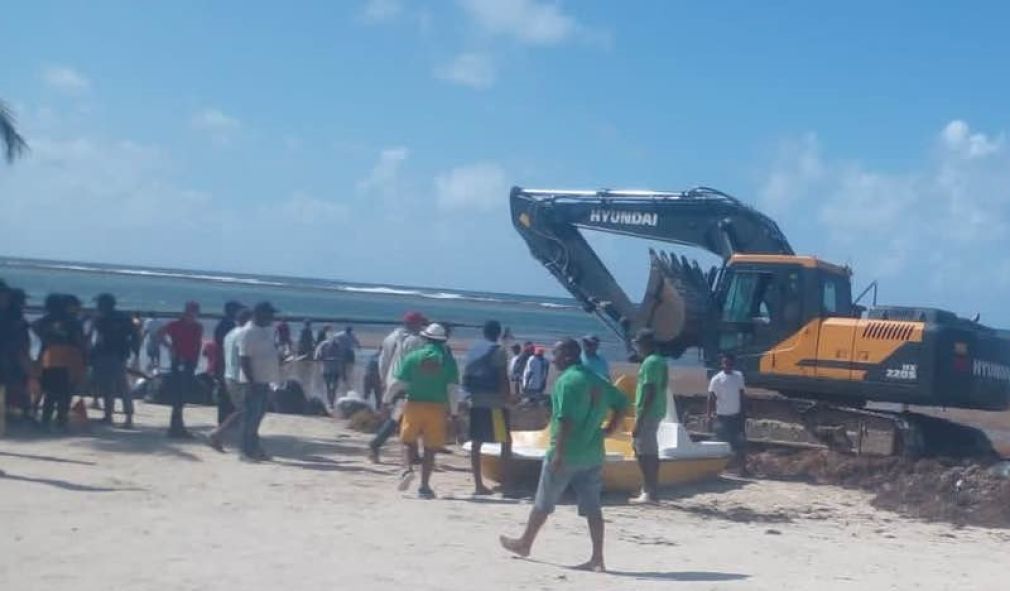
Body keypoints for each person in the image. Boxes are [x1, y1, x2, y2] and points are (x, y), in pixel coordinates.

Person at [499, 338, 629, 573]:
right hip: (592, 453)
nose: (553, 358)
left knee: (543, 502)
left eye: (556, 354)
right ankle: (597, 557)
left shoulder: (567, 381)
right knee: (593, 507)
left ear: (568, 356)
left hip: (567, 452)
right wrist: (610, 428)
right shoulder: (596, 379)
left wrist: (558, 452)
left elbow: (565, 420)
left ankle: (525, 543)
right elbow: (622, 402)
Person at [384, 323, 459, 499]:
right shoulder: (449, 361)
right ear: (442, 341)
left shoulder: (413, 357)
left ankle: (407, 469)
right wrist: (454, 413)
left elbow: (398, 383)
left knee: (406, 441)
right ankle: (424, 487)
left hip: (414, 404)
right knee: (430, 449)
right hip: (437, 408)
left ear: (425, 338)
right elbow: (453, 389)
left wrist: (386, 401)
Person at [368, 311, 427, 463]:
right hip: (404, 384)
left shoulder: (391, 338)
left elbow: (383, 361)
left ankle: (413, 454)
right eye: (421, 323)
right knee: (399, 418)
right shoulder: (415, 341)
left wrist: (384, 380)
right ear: (416, 324)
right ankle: (376, 444)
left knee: (404, 418)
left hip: (391, 380)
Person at [463, 320, 512, 495]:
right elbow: (502, 377)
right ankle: (506, 484)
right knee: (505, 442)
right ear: (498, 333)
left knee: (477, 443)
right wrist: (508, 397)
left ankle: (478, 485)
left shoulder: (474, 349)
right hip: (494, 403)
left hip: (475, 400)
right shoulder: (498, 350)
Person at [32, 294, 87, 431]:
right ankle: (61, 420)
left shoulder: (46, 320)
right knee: (66, 391)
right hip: (69, 357)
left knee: (50, 392)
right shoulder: (72, 321)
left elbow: (34, 326)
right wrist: (84, 357)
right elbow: (80, 341)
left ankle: (46, 420)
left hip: (49, 357)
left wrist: (46, 339)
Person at [238, 302, 280, 461]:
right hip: (253, 382)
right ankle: (245, 451)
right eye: (269, 314)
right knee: (250, 417)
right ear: (260, 314)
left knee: (258, 417)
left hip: (265, 380)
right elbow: (244, 359)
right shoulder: (248, 332)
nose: (272, 318)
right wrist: (251, 382)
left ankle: (254, 449)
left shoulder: (266, 330)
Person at [90, 294, 140, 427]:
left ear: (104, 305)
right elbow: (135, 334)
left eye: (99, 304)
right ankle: (128, 418)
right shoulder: (124, 317)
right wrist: (134, 351)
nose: (97, 307)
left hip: (106, 354)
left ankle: (108, 416)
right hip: (121, 354)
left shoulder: (102, 319)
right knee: (123, 386)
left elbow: (98, 337)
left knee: (108, 387)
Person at [630, 329, 668, 504]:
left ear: (645, 344)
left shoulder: (651, 363)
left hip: (648, 412)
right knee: (645, 450)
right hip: (655, 411)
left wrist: (640, 419)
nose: (636, 348)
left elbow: (650, 390)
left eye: (638, 344)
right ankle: (649, 489)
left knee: (646, 453)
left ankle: (650, 491)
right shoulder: (659, 360)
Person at [209, 307, 253, 452]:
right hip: (239, 375)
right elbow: (244, 357)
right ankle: (218, 434)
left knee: (240, 408)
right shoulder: (243, 335)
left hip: (229, 373)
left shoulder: (230, 334)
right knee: (244, 409)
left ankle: (224, 434)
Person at [159, 301, 203, 438]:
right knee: (178, 395)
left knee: (183, 395)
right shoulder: (175, 325)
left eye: (195, 312)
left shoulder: (197, 327)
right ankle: (175, 427)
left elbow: (197, 345)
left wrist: (196, 361)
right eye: (191, 311)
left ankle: (177, 426)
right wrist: (169, 347)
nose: (193, 314)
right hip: (179, 360)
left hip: (190, 362)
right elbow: (159, 334)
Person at [708, 353, 748, 472]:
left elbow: (741, 394)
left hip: (736, 416)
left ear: (733, 364)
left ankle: (742, 469)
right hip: (722, 417)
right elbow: (711, 398)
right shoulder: (716, 379)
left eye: (729, 363)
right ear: (722, 364)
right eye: (725, 363)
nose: (727, 365)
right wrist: (709, 415)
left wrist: (743, 412)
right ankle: (720, 469)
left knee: (740, 443)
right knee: (722, 443)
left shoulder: (739, 376)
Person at [212, 301, 244, 426]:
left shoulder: (223, 324)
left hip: (222, 362)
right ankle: (225, 422)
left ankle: (223, 421)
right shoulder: (229, 325)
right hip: (225, 363)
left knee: (226, 394)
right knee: (228, 394)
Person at [314, 332, 344, 408]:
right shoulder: (325, 345)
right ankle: (331, 403)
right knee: (331, 387)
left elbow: (317, 357)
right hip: (330, 370)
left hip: (330, 370)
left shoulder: (325, 344)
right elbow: (317, 357)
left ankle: (331, 403)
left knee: (331, 387)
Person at [335, 326, 360, 390]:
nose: (349, 332)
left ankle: (348, 375)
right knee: (343, 364)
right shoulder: (341, 334)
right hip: (343, 351)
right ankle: (344, 376)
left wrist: (358, 346)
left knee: (351, 364)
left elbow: (356, 341)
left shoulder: (351, 334)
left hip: (349, 351)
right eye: (348, 331)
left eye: (349, 331)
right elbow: (334, 338)